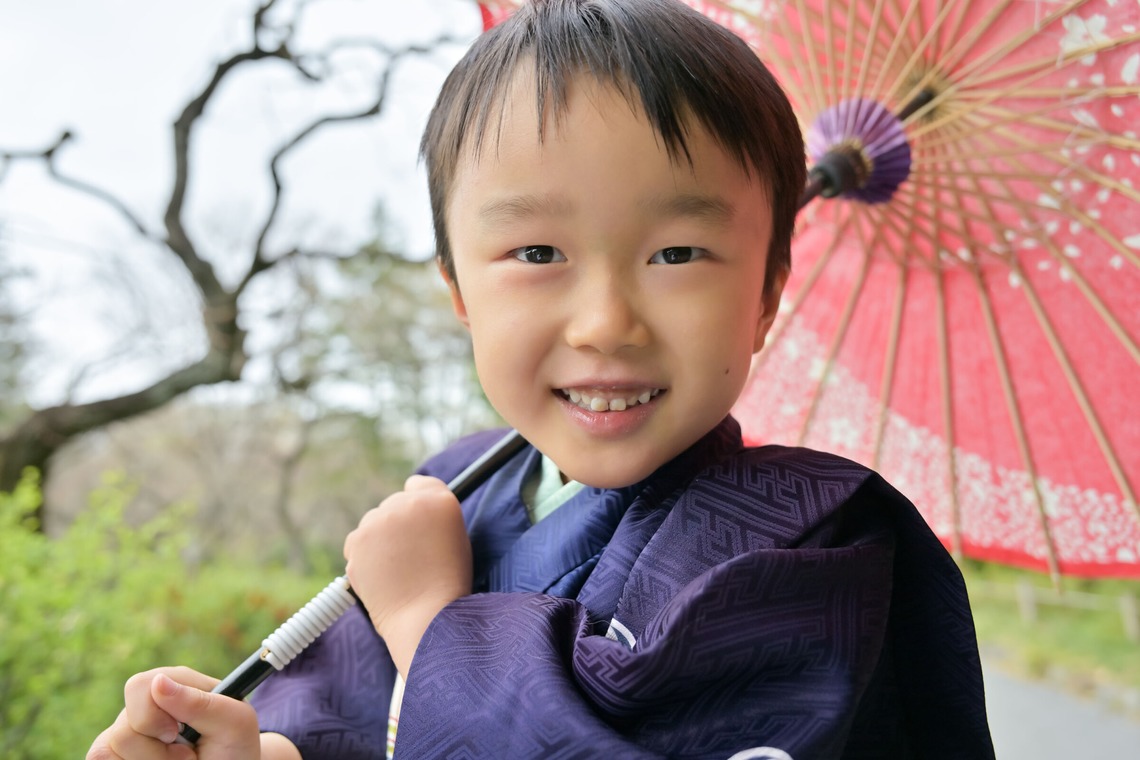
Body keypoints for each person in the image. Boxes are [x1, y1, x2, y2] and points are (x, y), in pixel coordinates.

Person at [88, 1, 996, 758]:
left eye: (678, 252)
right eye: (535, 251)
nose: (605, 322)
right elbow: (349, 725)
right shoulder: (448, 494)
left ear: (765, 295)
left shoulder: (815, 539)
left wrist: (430, 627)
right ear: (459, 292)